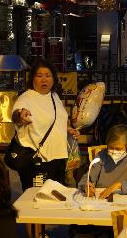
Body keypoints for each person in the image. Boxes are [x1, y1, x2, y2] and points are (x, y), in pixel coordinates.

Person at [11, 58, 78, 188]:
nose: (44, 79)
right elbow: (16, 115)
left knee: (56, 198)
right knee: (36, 200)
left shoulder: (54, 97)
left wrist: (69, 129)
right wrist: (21, 115)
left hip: (58, 158)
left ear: (53, 79)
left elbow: (58, 120)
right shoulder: (26, 97)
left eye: (48, 76)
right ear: (32, 79)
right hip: (38, 161)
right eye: (39, 76)